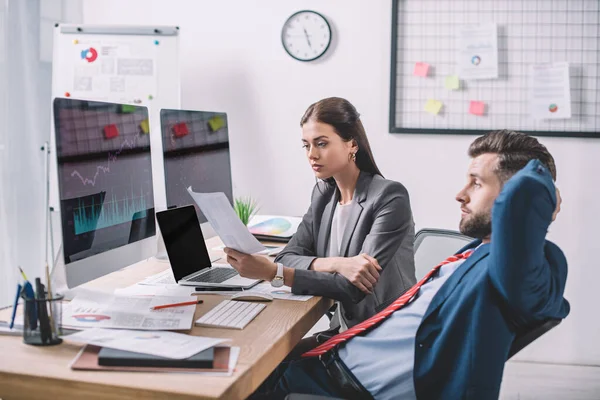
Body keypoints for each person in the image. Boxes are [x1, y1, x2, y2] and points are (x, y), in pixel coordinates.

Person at [248, 129, 570, 400]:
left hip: (346, 386)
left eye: (476, 183)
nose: (460, 195)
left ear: (516, 197)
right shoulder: (474, 254)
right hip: (339, 353)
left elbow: (523, 207)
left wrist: (539, 183)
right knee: (252, 356)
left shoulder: (529, 269)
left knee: (233, 380)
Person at [225, 97, 416, 331]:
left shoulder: (389, 197)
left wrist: (274, 273)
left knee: (270, 362)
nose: (311, 154)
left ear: (352, 145)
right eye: (306, 145)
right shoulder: (323, 195)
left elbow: (353, 287)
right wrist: (337, 263)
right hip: (344, 328)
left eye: (321, 144)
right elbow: (288, 256)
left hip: (381, 331)